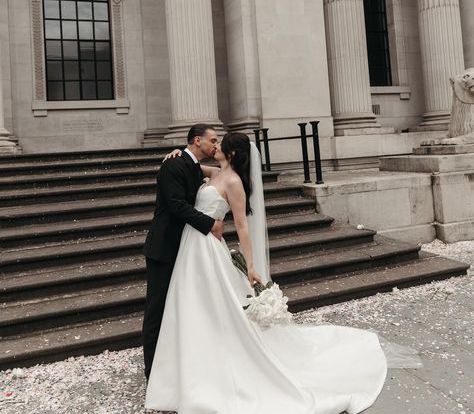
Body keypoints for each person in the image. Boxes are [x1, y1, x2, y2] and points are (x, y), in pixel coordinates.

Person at [145, 131, 415, 414]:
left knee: (210, 306)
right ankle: (182, 367)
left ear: (232, 153)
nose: (216, 145)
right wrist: (175, 152)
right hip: (190, 245)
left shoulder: (234, 181)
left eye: (220, 144)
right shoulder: (214, 171)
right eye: (213, 141)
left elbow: (242, 226)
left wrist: (250, 265)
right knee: (189, 305)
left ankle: (208, 370)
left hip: (207, 247)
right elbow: (190, 166)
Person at [142, 123, 224, 381]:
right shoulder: (173, 165)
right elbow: (176, 204)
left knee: (180, 307)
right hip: (164, 246)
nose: (215, 144)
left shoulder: (191, 165)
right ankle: (153, 372)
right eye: (212, 140)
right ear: (197, 140)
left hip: (186, 248)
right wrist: (209, 224)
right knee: (157, 309)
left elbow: (223, 171)